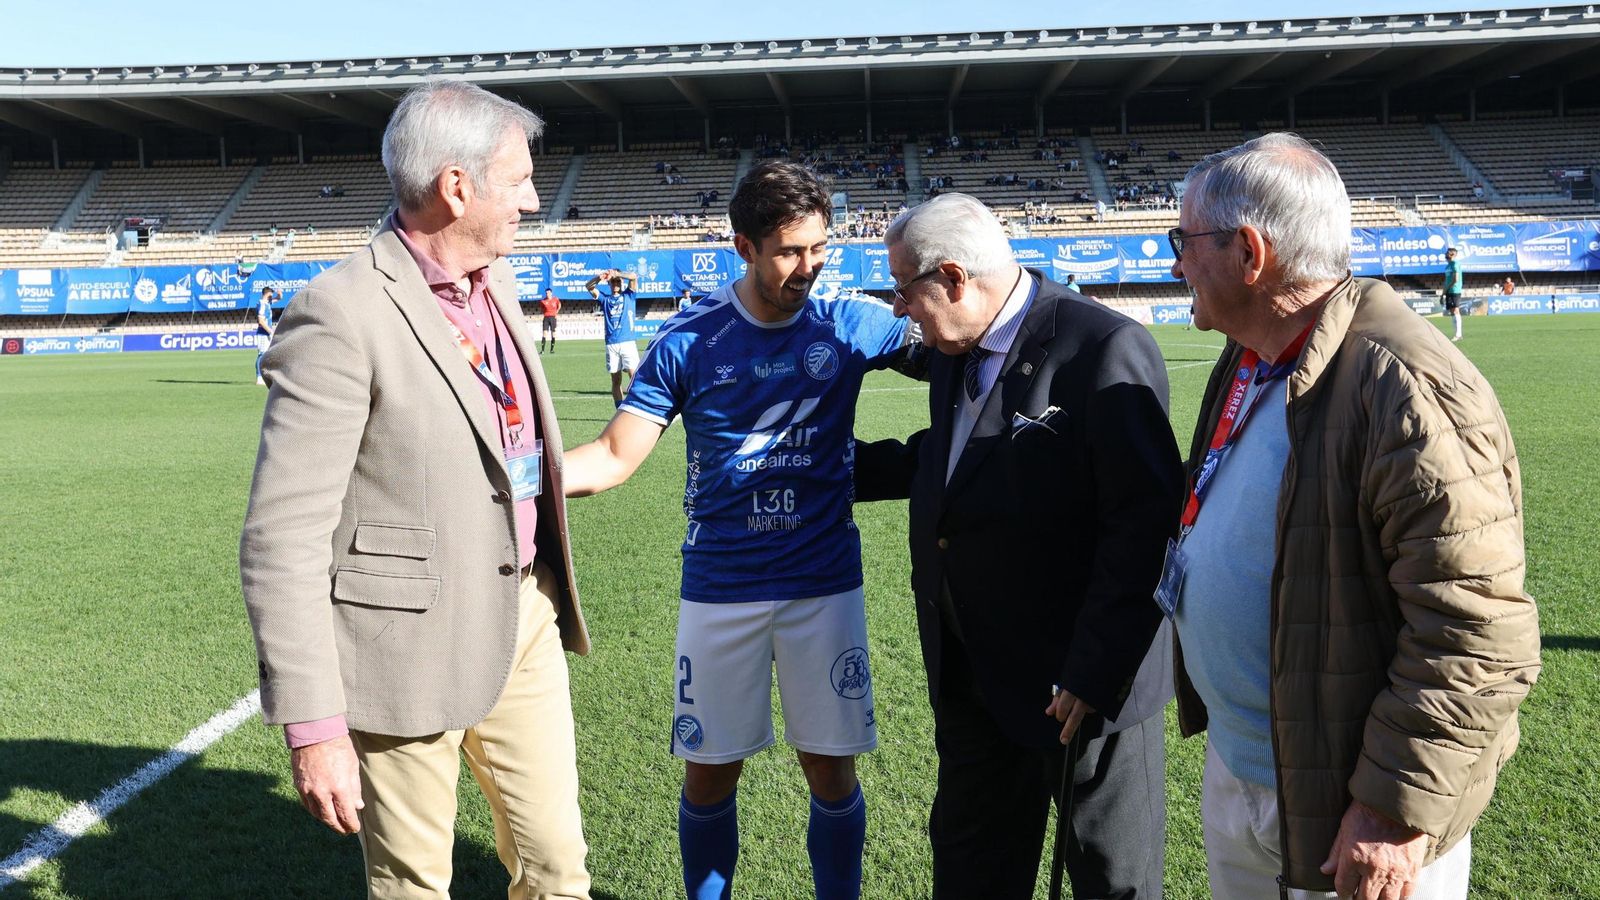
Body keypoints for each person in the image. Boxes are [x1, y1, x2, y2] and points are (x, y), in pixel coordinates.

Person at [239, 79, 593, 899]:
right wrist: (316, 726)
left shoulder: (495, 283)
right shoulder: (340, 315)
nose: (535, 201)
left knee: (558, 869)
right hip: (403, 652)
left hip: (524, 620)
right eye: (518, 181)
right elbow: (281, 537)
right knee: (413, 887)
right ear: (455, 187)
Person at [1163, 132, 1540, 899]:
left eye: (1183, 240)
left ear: (1248, 252)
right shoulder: (1251, 355)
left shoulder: (1407, 388)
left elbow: (1479, 635)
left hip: (1353, 813)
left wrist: (1390, 810)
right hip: (1252, 770)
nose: (1173, 263)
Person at [562, 161, 921, 900]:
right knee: (710, 771)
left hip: (823, 585)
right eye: (790, 250)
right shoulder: (691, 339)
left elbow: (956, 347)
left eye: (819, 248)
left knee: (829, 769)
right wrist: (507, 482)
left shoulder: (848, 323)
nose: (808, 267)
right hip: (721, 589)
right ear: (744, 246)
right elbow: (611, 457)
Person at [853, 193, 1184, 900]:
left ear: (951, 277)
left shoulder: (1102, 347)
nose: (898, 309)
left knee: (1111, 881)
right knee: (972, 872)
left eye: (903, 290)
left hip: (1081, 688)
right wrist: (837, 470)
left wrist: (1095, 671)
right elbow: (955, 462)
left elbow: (1145, 523)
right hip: (974, 675)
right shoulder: (955, 345)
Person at [586, 268, 640, 405]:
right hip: (611, 343)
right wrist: (599, 277)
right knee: (616, 381)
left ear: (621, 282)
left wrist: (618, 274)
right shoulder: (605, 299)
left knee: (634, 377)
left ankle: (638, 406)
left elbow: (634, 277)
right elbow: (589, 286)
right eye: (613, 282)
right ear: (609, 284)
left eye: (618, 281)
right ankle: (619, 409)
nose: (615, 284)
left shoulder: (629, 295)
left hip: (627, 342)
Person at [254, 285, 277, 386]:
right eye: (271, 295)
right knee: (262, 355)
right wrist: (270, 331)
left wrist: (279, 294)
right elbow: (261, 321)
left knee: (265, 355)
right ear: (267, 294)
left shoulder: (267, 303)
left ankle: (263, 376)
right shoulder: (262, 304)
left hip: (266, 333)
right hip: (263, 333)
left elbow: (279, 298)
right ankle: (259, 377)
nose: (272, 297)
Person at [1442, 246, 1464, 341]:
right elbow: (1446, 280)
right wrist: (1443, 292)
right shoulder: (1448, 266)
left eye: (1447, 253)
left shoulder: (1455, 264)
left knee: (1455, 311)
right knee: (1452, 312)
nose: (1446, 254)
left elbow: (1456, 279)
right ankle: (1457, 333)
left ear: (1453, 254)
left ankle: (1458, 334)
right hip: (1448, 291)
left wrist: (1447, 288)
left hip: (1454, 290)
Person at [540, 287, 562, 353]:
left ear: (551, 293)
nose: (547, 294)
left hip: (553, 318)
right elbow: (542, 309)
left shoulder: (555, 299)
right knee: (544, 334)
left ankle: (551, 350)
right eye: (546, 293)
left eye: (549, 293)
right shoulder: (543, 301)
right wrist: (546, 313)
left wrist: (557, 311)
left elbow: (559, 305)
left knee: (553, 334)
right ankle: (542, 350)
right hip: (546, 318)